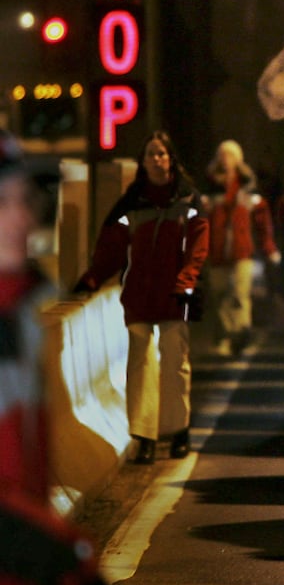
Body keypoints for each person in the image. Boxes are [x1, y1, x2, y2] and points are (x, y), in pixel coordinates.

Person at [0, 130, 130, 585]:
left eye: (25, 200)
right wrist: (74, 563)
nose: (25, 218)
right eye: (4, 203)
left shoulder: (17, 320)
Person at [75, 131, 209, 465]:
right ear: (143, 161)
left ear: (171, 159)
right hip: (138, 295)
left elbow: (198, 247)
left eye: (162, 154)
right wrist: (93, 277)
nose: (157, 160)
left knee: (175, 363)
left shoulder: (189, 200)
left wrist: (186, 282)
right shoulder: (130, 204)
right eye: (151, 154)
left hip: (175, 295)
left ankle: (178, 432)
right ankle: (145, 437)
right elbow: (112, 248)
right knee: (141, 365)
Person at [202, 140, 280, 357]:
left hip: (241, 250)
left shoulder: (247, 186)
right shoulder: (209, 186)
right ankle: (225, 335)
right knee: (219, 295)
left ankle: (240, 336)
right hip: (216, 251)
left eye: (230, 156)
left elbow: (262, 220)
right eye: (223, 155)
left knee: (239, 294)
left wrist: (269, 247)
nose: (226, 160)